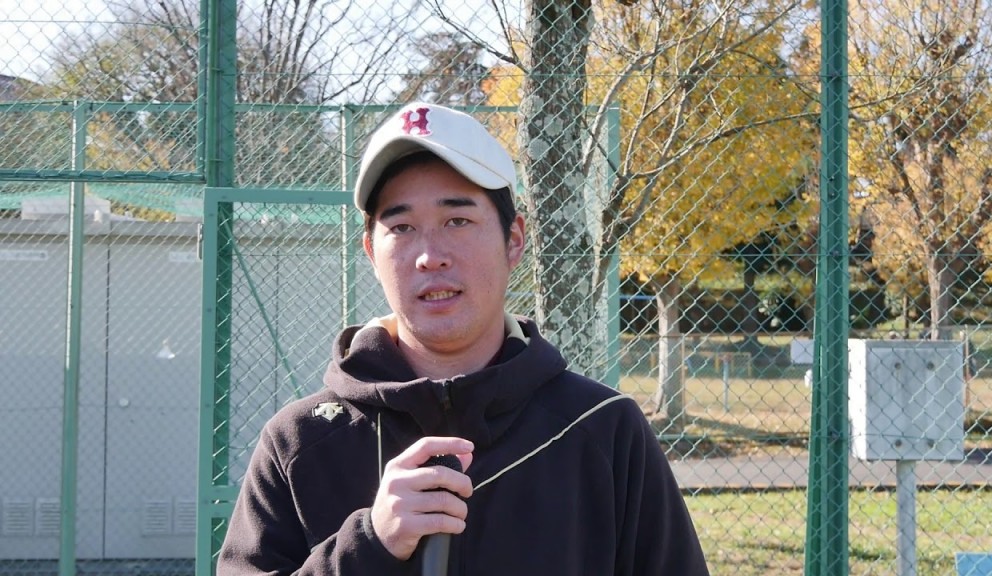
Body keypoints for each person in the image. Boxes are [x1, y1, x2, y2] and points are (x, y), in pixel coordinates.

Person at [217, 102, 710, 575]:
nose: (430, 255)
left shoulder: (602, 429)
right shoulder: (299, 442)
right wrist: (370, 544)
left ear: (513, 240)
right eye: (402, 227)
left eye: (457, 220)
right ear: (371, 252)